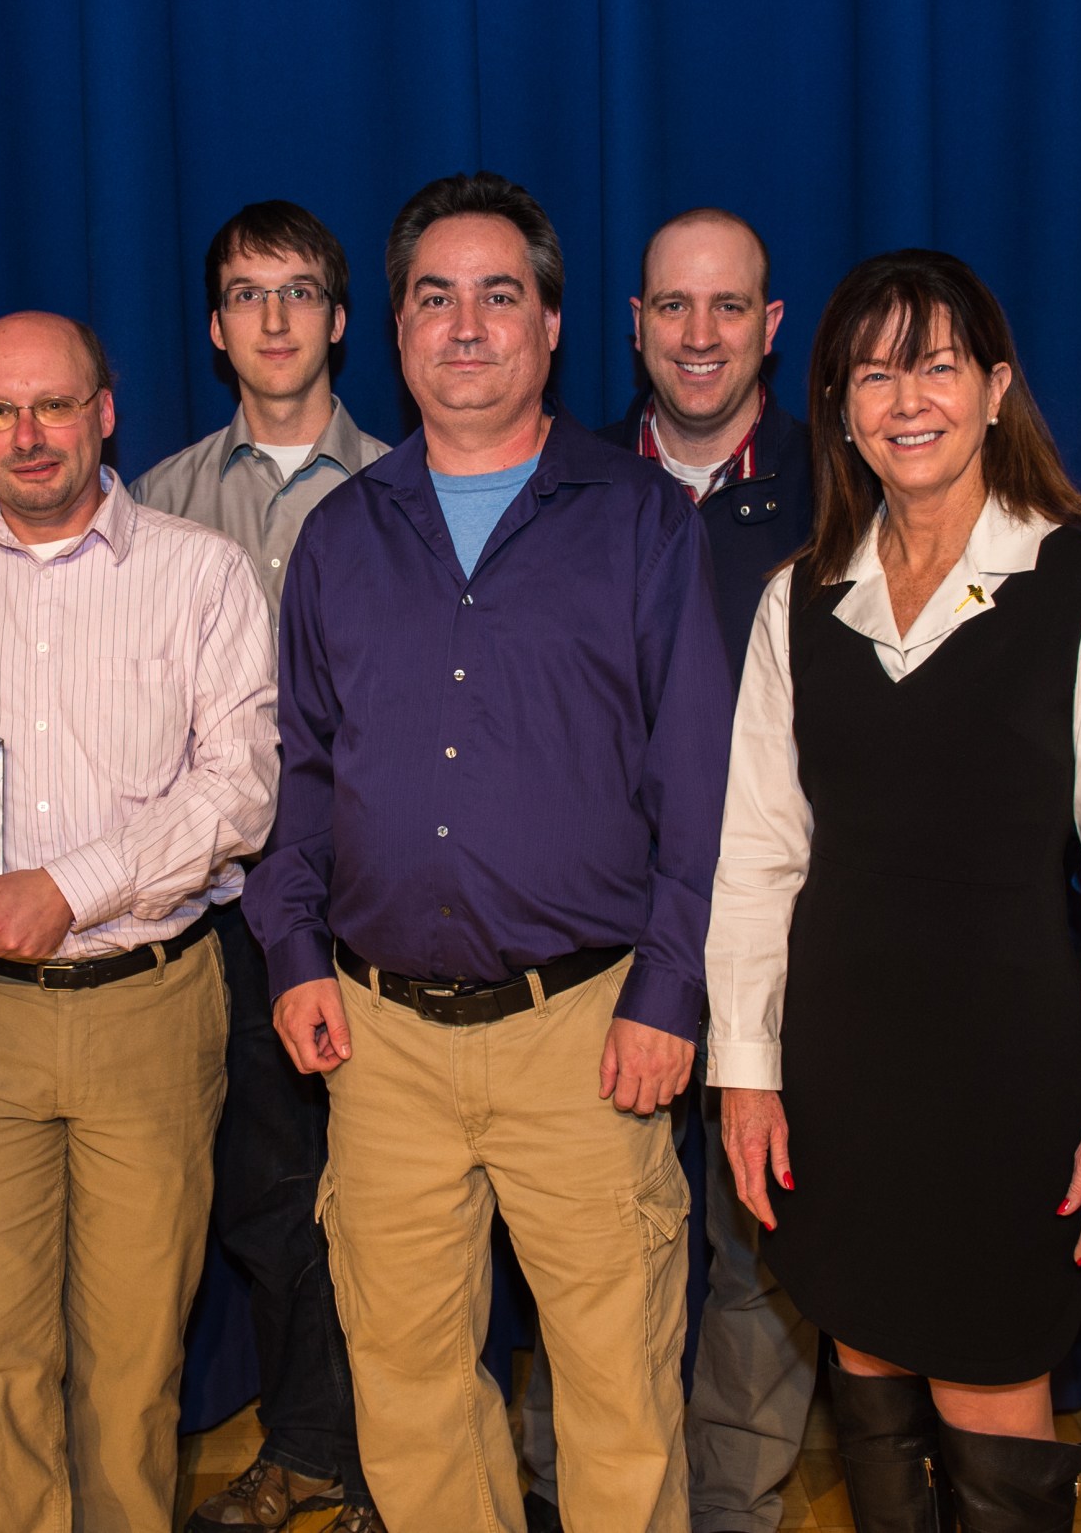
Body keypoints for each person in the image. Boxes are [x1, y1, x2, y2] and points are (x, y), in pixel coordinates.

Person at [244, 171, 734, 1533]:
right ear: (393, 334)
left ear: (553, 326)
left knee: (617, 1391)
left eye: (498, 295)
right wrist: (290, 952)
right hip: (377, 1041)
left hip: (583, 1032)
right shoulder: (339, 538)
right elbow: (305, 773)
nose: (467, 326)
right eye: (435, 298)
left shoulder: (643, 524)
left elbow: (701, 786)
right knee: (406, 1387)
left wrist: (668, 993)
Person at [709, 249, 1081, 1531]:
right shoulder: (796, 602)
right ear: (838, 405)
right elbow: (759, 856)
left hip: (1010, 1079)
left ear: (993, 389)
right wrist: (747, 1073)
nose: (904, 397)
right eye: (872, 371)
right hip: (840, 1069)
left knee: (991, 1388)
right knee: (865, 1366)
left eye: (933, 364)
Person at [0, 311, 277, 1532]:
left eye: (52, 406)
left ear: (106, 410)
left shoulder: (200, 573)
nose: (27, 436)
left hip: (148, 1008)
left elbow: (238, 792)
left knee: (133, 1368)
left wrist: (69, 886)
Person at [521, 206, 818, 1533]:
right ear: (632, 324)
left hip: (784, 935)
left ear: (770, 324)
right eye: (671, 307)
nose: (699, 336)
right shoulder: (555, 481)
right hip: (604, 939)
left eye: (727, 307)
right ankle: (574, 1488)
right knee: (588, 1250)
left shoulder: (844, 481)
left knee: (761, 1245)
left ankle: (734, 1505)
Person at [135, 200, 389, 1533]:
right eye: (246, 294)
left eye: (300, 292)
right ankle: (305, 1447)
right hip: (228, 910)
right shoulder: (159, 504)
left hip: (386, 908)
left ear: (341, 319)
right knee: (268, 1195)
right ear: (219, 325)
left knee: (403, 1200)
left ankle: (396, 1468)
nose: (275, 319)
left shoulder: (409, 489)